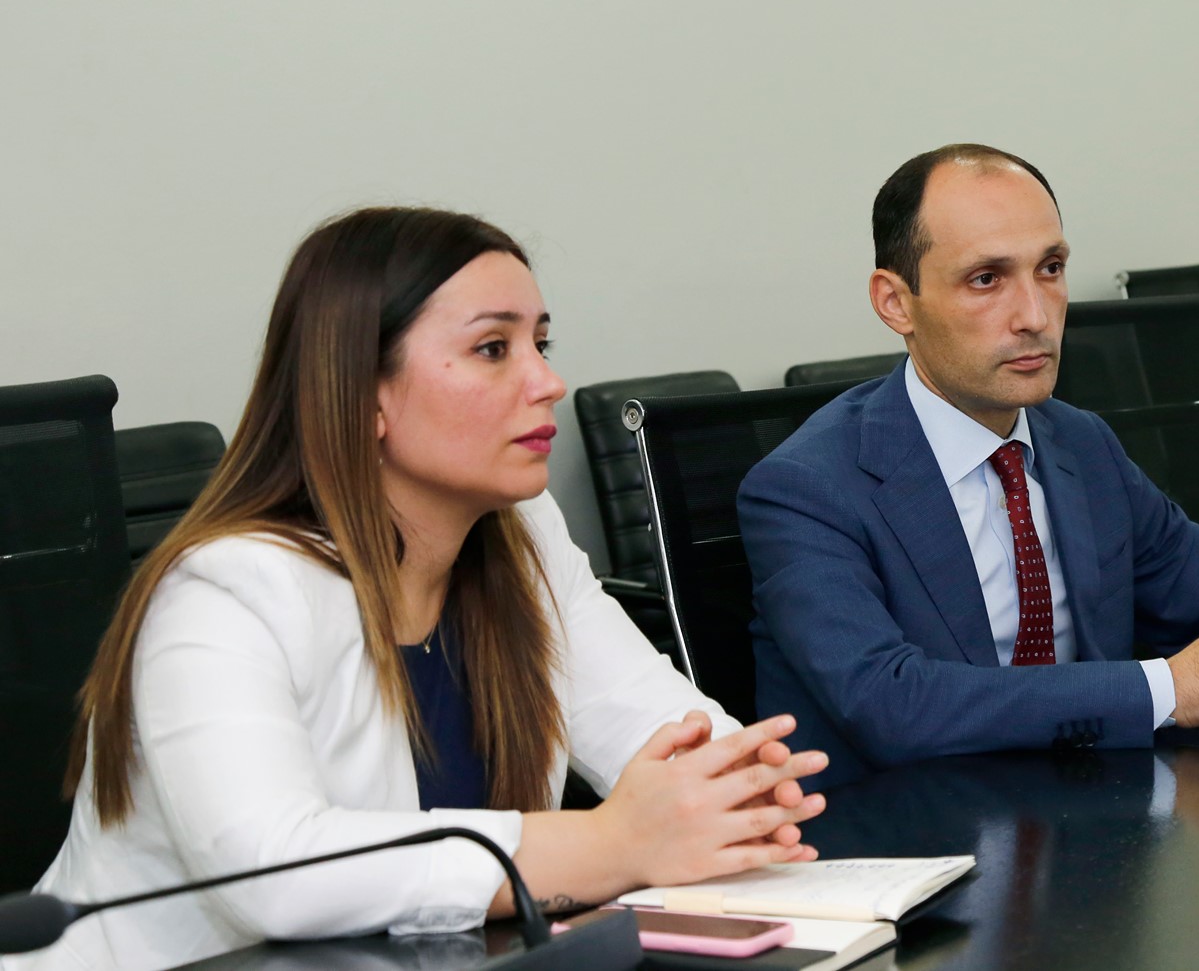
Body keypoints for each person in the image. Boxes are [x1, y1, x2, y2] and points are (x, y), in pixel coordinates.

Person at [19, 209, 828, 971]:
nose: (547, 380)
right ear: (363, 392)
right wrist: (615, 842)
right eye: (493, 348)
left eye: (542, 342)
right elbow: (276, 871)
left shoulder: (524, 533)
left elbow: (673, 736)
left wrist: (742, 796)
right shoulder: (227, 590)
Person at [740, 145, 1199, 780]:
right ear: (895, 302)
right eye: (986, 279)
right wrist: (1169, 687)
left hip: (1091, 809)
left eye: (1050, 268)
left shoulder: (1080, 444)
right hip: (901, 824)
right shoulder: (805, 488)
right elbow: (889, 704)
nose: (1036, 315)